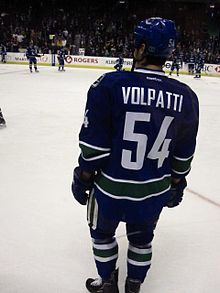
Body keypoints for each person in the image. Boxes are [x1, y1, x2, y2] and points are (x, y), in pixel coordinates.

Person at [71, 17, 199, 293]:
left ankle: (107, 283)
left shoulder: (108, 85)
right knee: (142, 240)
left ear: (141, 48)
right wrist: (176, 183)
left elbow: (94, 150)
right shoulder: (186, 96)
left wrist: (81, 177)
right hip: (153, 189)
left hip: (110, 188)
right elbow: (183, 154)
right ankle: (133, 286)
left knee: (103, 234)